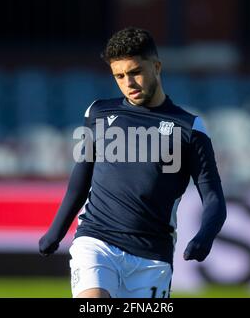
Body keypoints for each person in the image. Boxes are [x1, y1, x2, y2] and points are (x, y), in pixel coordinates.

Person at [39, 27, 227, 298]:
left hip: (152, 258)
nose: (129, 83)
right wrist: (56, 231)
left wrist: (204, 236)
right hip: (97, 241)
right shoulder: (97, 113)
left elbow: (212, 197)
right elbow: (80, 181)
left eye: (135, 71)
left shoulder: (190, 128)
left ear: (157, 66)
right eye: (119, 76)